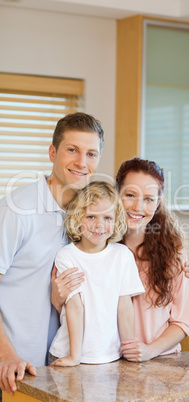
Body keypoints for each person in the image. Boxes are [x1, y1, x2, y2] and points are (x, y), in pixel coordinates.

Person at [0, 113, 104, 396]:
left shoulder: (86, 216)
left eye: (91, 153)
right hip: (12, 371)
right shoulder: (17, 209)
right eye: (72, 150)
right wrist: (6, 356)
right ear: (52, 152)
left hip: (57, 372)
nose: (82, 162)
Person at [49, 181, 144, 366]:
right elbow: (74, 308)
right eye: (91, 217)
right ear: (78, 218)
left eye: (107, 218)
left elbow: (124, 307)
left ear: (116, 221)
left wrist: (129, 349)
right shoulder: (66, 256)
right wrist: (74, 357)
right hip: (68, 353)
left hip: (111, 357)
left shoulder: (122, 255)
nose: (99, 225)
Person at [115, 158, 189, 362]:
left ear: (158, 202)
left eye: (149, 199)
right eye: (130, 195)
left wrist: (150, 350)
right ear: (116, 195)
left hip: (161, 364)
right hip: (109, 363)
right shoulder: (100, 248)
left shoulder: (173, 253)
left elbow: (184, 321)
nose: (138, 207)